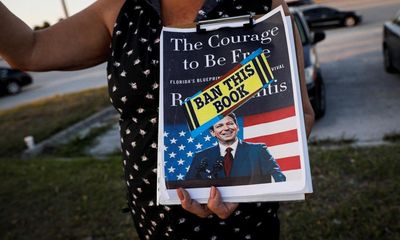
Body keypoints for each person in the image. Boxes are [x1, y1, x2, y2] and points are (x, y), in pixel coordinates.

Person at [0, 0, 314, 239]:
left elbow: (300, 114)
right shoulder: (121, 8)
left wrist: (237, 188)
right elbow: (29, 50)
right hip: (155, 225)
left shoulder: (263, 4)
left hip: (244, 222)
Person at [186, 113, 286, 183]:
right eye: (220, 125)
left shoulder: (258, 150)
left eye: (230, 123)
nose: (226, 128)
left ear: (237, 127)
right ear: (212, 133)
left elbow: (279, 178)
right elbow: (188, 185)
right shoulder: (201, 157)